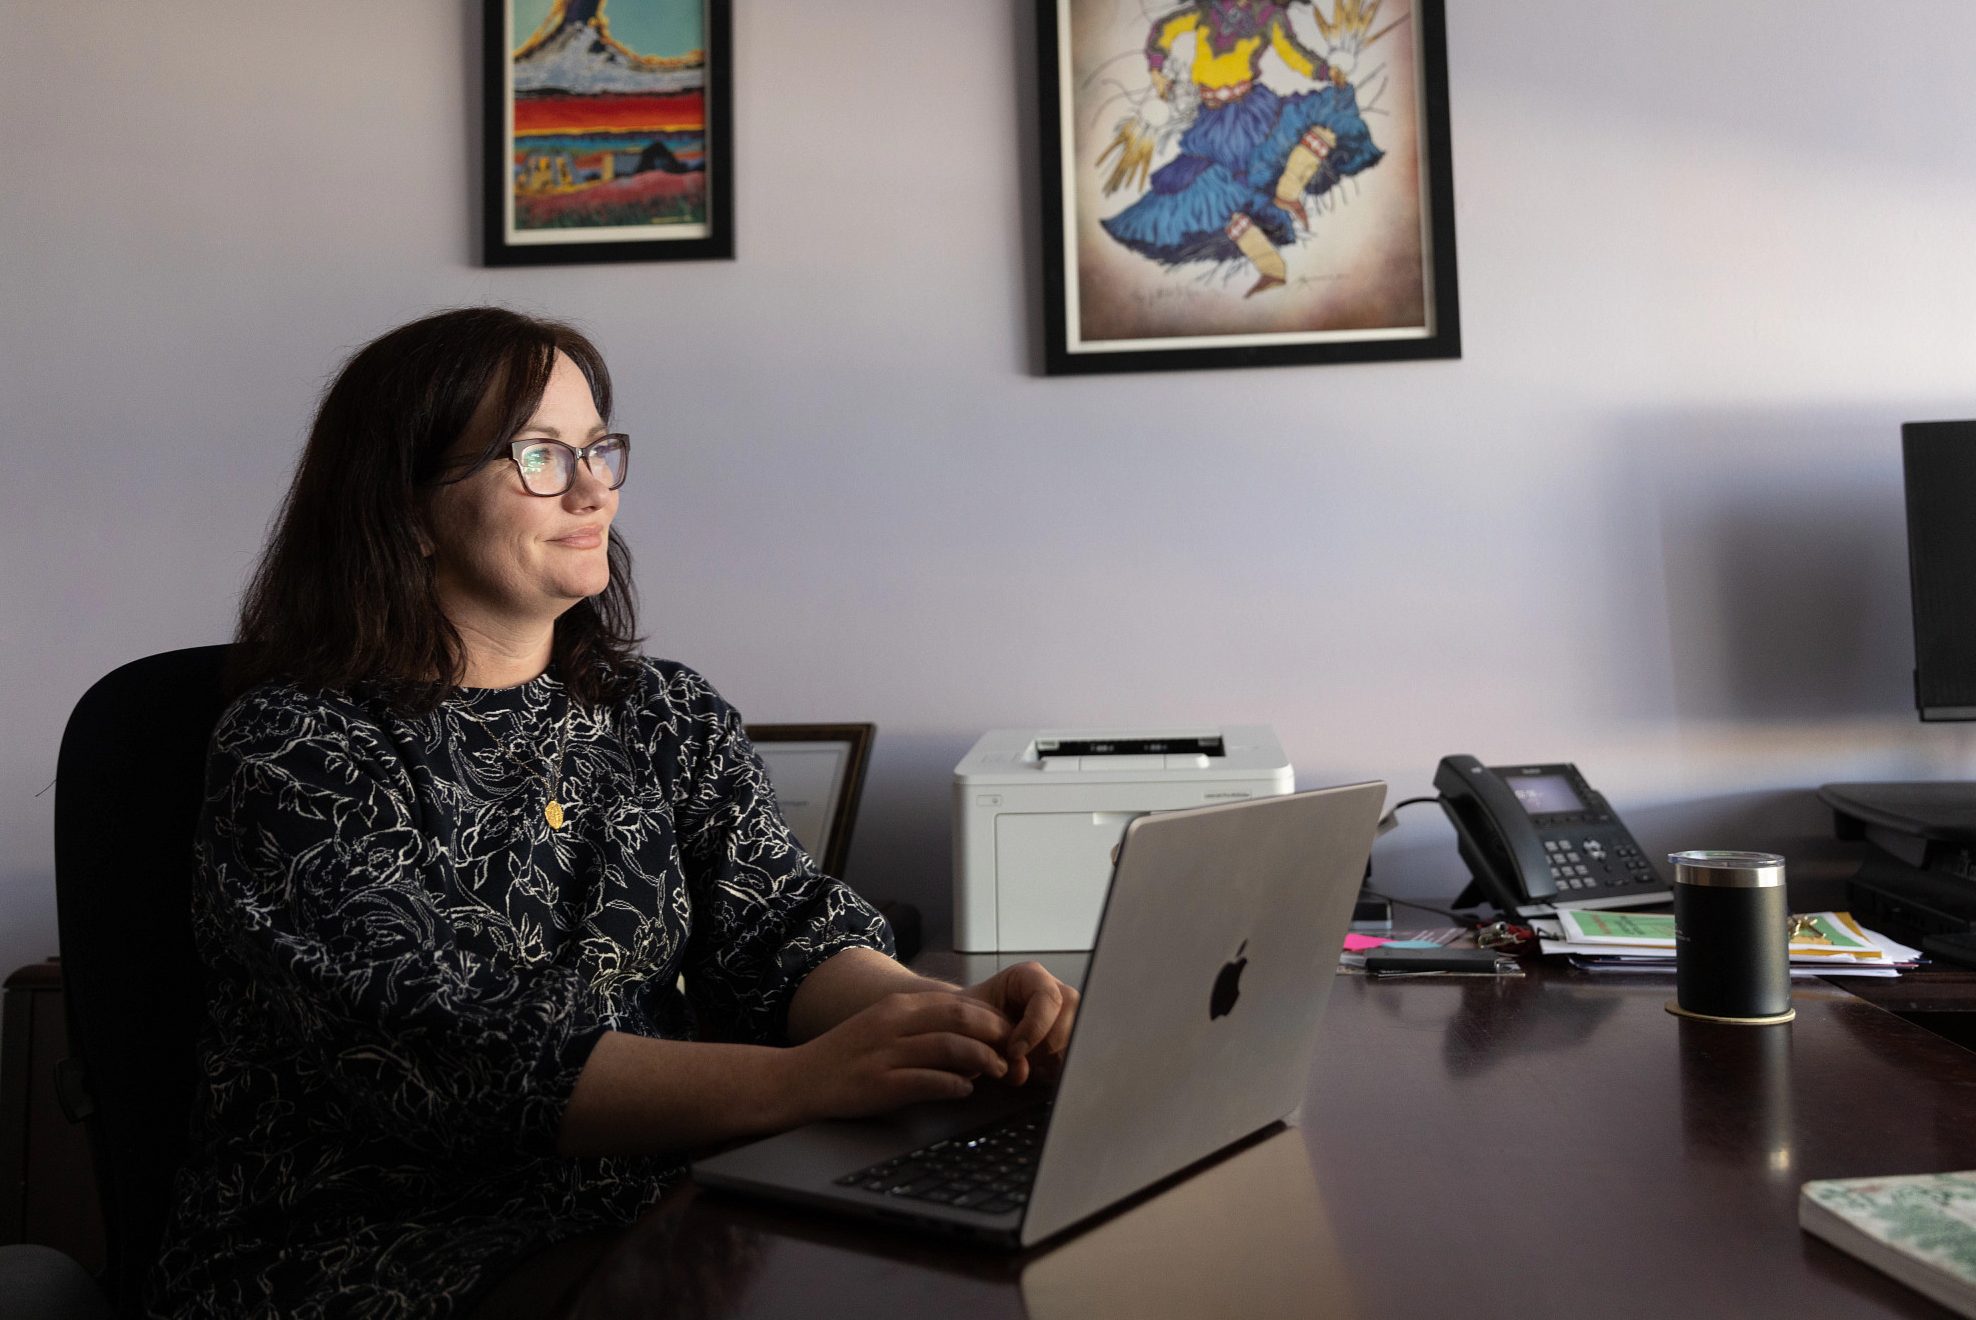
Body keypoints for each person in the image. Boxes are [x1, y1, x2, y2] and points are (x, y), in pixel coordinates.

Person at [148, 307, 1078, 1317]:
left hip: (647, 1211)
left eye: (596, 448)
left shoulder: (664, 713)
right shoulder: (296, 747)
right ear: (407, 508)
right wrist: (803, 1082)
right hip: (380, 1256)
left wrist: (946, 1021)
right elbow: (448, 1052)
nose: (593, 488)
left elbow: (779, 931)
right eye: (539, 455)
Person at [1099, 0, 1384, 296]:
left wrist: (1325, 71)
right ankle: (1272, 267)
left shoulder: (1270, 16)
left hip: (1251, 113)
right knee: (1216, 192)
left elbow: (1292, 52)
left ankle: (1288, 192)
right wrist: (1157, 70)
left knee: (1314, 124)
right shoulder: (1207, 10)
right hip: (1212, 122)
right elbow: (1164, 29)